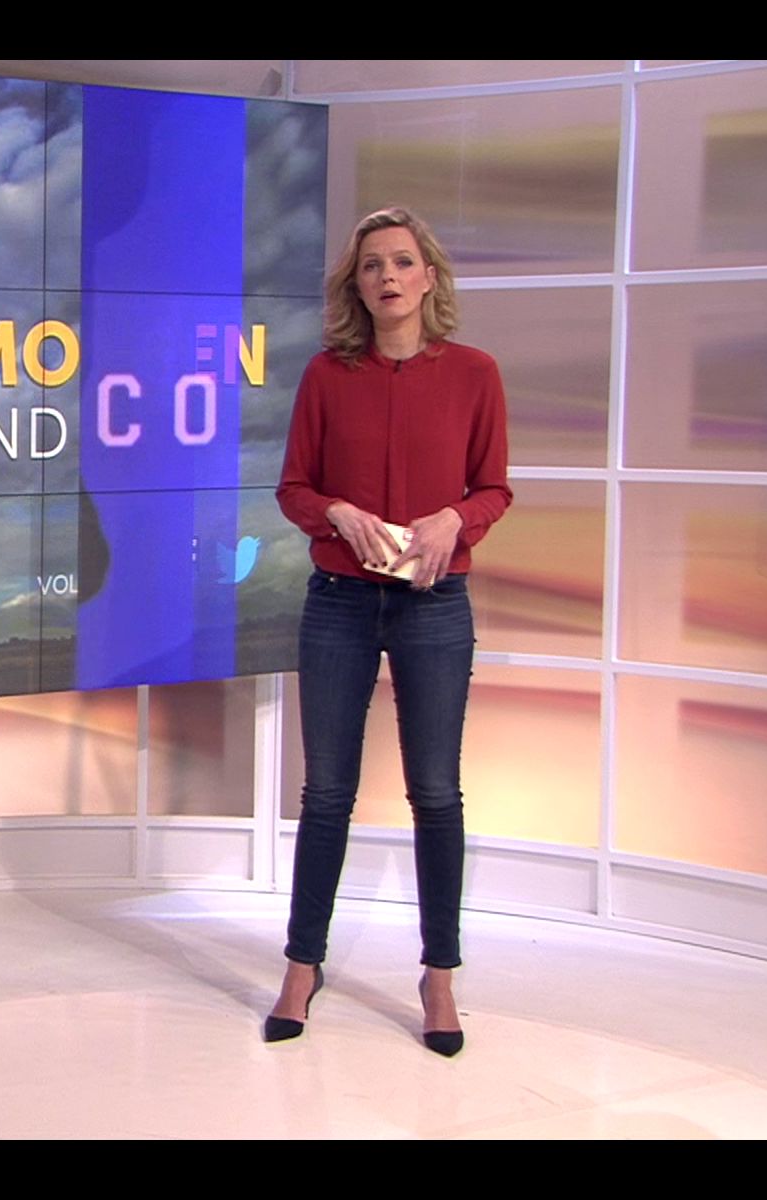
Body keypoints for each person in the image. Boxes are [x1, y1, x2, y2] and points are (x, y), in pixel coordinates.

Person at [266, 206, 512, 1056]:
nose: (388, 277)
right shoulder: (326, 376)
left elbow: (494, 488)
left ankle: (439, 976)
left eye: (403, 262)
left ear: (428, 278)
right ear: (357, 287)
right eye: (372, 266)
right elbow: (293, 488)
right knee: (326, 793)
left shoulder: (475, 374)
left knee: (435, 793)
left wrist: (455, 519)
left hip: (434, 606)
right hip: (339, 601)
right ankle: (302, 966)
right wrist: (335, 510)